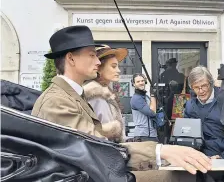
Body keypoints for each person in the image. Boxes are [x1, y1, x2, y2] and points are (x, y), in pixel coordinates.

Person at [31, 25, 212, 178]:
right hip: (94, 175)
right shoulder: (56, 101)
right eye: (92, 55)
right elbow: (96, 149)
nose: (97, 61)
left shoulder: (72, 95)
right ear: (70, 58)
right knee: (180, 175)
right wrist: (159, 151)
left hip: (99, 172)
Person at [184, 66, 224, 159]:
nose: (201, 91)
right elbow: (186, 136)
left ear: (211, 83)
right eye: (196, 87)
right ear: (191, 87)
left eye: (204, 86)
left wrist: (223, 157)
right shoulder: (190, 105)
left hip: (223, 157)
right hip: (198, 158)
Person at [83, 44, 128, 143]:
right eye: (113, 66)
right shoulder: (96, 95)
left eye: (118, 66)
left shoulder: (105, 92)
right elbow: (101, 137)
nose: (118, 70)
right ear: (98, 68)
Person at [130, 73, 158, 142]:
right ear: (134, 84)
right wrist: (153, 95)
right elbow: (152, 112)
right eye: (138, 81)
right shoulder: (136, 98)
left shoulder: (146, 97)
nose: (141, 83)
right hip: (142, 136)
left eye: (142, 81)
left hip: (152, 134)